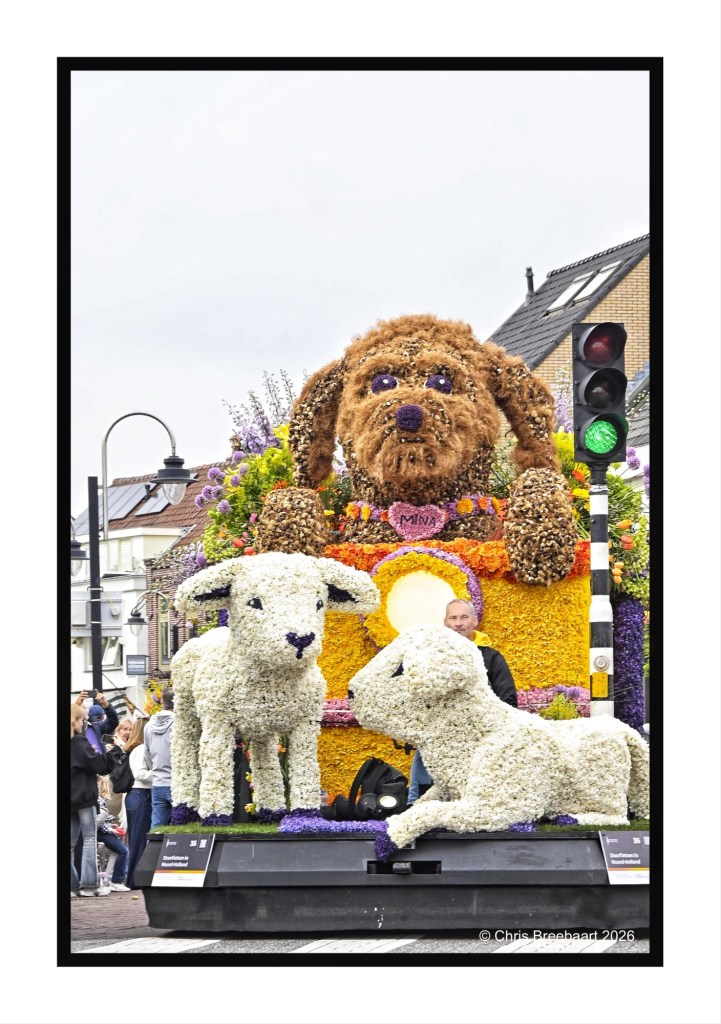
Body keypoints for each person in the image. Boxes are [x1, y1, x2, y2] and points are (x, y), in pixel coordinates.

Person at [407, 598, 518, 804]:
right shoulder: (430, 657)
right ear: (445, 623)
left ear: (474, 621)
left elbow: (508, 699)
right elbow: (417, 694)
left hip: (479, 737)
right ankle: (414, 807)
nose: (458, 623)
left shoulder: (492, 658)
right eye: (453, 618)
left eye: (464, 617)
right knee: (423, 769)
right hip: (439, 734)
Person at [70, 703, 123, 897]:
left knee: (69, 844)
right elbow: (101, 765)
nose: (84, 723)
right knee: (90, 839)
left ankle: (71, 886)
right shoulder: (79, 742)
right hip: (83, 797)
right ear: (74, 721)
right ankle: (89, 885)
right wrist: (115, 750)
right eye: (82, 720)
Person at [124, 713, 153, 889]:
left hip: (138, 795)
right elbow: (140, 774)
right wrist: (160, 774)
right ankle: (135, 879)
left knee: (138, 838)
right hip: (141, 794)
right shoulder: (141, 749)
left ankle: (135, 878)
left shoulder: (137, 749)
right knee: (139, 838)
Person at [144, 688, 175, 828]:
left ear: (162, 701)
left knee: (156, 827)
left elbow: (147, 753)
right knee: (182, 826)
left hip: (157, 782)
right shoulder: (178, 724)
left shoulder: (149, 725)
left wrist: (156, 770)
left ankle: (153, 850)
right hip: (176, 783)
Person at [96, 775, 130, 891]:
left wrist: (110, 826)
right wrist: (110, 829)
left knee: (118, 851)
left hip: (100, 831)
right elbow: (99, 821)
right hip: (101, 833)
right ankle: (116, 881)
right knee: (123, 851)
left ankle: (108, 879)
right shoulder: (100, 800)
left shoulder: (98, 799)